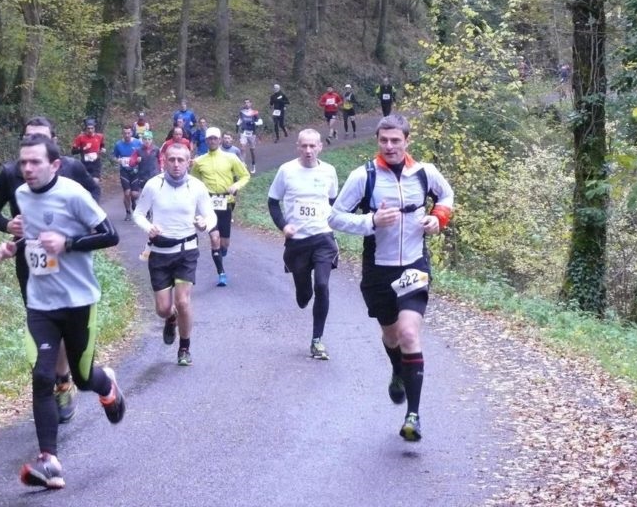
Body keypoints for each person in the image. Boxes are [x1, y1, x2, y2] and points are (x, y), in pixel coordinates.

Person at [0, 134, 126, 489]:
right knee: (43, 376)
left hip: (79, 301)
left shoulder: (73, 194)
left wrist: (68, 243)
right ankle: (49, 462)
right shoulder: (21, 195)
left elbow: (110, 235)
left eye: (34, 162)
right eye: (23, 162)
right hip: (41, 303)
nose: (27, 169)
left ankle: (108, 386)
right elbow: (35, 237)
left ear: (54, 164)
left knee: (83, 378)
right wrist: (13, 246)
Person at [328, 114, 454, 443]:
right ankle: (398, 368)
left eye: (395, 140)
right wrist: (370, 221)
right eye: (384, 140)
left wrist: (437, 218)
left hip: (413, 265)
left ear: (407, 141)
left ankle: (413, 415)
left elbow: (447, 197)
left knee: (409, 333)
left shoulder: (425, 173)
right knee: (391, 335)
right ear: (377, 142)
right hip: (377, 269)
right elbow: (335, 216)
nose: (389, 146)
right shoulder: (364, 176)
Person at [0, 117, 101, 427]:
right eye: (28, 138)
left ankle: (63, 381)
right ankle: (56, 381)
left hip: (69, 258)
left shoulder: (71, 169)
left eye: (40, 138)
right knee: (46, 326)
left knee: (64, 330)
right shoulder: (11, 173)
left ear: (53, 146)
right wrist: (8, 225)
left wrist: (73, 237)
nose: (32, 145)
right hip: (31, 260)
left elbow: (93, 203)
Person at [132, 143, 216, 366]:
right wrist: (148, 227)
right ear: (164, 161)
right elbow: (138, 214)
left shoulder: (197, 187)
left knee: (183, 302)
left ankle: (184, 348)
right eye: (172, 160)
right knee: (162, 309)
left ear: (189, 162)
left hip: (186, 251)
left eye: (181, 160)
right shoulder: (153, 185)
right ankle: (170, 319)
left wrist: (204, 223)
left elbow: (211, 215)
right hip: (159, 253)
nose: (176, 164)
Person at [267, 129, 340, 359]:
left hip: (323, 238)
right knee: (304, 296)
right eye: (304, 146)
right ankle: (302, 289)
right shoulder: (286, 171)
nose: (308, 150)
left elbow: (332, 201)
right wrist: (283, 226)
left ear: (320, 147)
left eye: (312, 146)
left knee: (322, 285)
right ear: (298, 147)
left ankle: (317, 340)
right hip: (297, 242)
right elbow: (273, 202)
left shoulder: (329, 171)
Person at [190, 127, 250, 287]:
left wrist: (236, 185)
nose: (212, 141)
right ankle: (221, 273)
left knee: (224, 243)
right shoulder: (199, 161)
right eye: (210, 138)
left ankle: (221, 252)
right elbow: (192, 181)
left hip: (225, 202)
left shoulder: (231, 158)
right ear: (206, 141)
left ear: (220, 140)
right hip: (208, 204)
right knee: (214, 238)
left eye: (215, 138)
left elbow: (245, 176)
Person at [113, 125, 142, 221]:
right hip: (124, 171)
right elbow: (113, 156)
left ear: (132, 133)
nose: (127, 135)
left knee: (134, 194)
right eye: (125, 133)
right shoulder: (118, 144)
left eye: (129, 133)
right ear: (122, 133)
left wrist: (139, 159)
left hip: (135, 171)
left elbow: (143, 154)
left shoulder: (138, 143)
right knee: (126, 193)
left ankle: (133, 202)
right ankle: (128, 212)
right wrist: (117, 160)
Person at [70, 119, 106, 186]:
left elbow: (102, 145)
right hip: (85, 163)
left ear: (94, 128)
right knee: (85, 184)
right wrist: (83, 148)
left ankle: (94, 195)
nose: (90, 130)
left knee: (95, 182)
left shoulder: (100, 136)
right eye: (88, 128)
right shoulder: (80, 137)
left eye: (92, 128)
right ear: (85, 129)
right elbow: (73, 152)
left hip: (96, 163)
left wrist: (102, 149)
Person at [128, 130, 161, 203]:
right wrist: (136, 160)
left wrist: (161, 169)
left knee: (154, 193)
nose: (147, 141)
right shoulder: (138, 150)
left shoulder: (156, 149)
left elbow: (160, 160)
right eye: (145, 139)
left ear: (152, 140)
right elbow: (131, 163)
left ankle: (151, 211)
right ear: (142, 140)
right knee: (143, 194)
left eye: (149, 139)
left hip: (154, 174)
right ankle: (138, 205)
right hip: (142, 175)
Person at [236, 98, 263, 173]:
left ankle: (253, 165)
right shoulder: (242, 112)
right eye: (245, 103)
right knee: (242, 147)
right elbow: (240, 119)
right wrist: (237, 125)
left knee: (252, 151)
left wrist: (254, 123)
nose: (246, 104)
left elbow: (260, 121)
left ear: (251, 104)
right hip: (243, 132)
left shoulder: (255, 112)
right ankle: (243, 165)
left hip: (252, 133)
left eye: (248, 103)